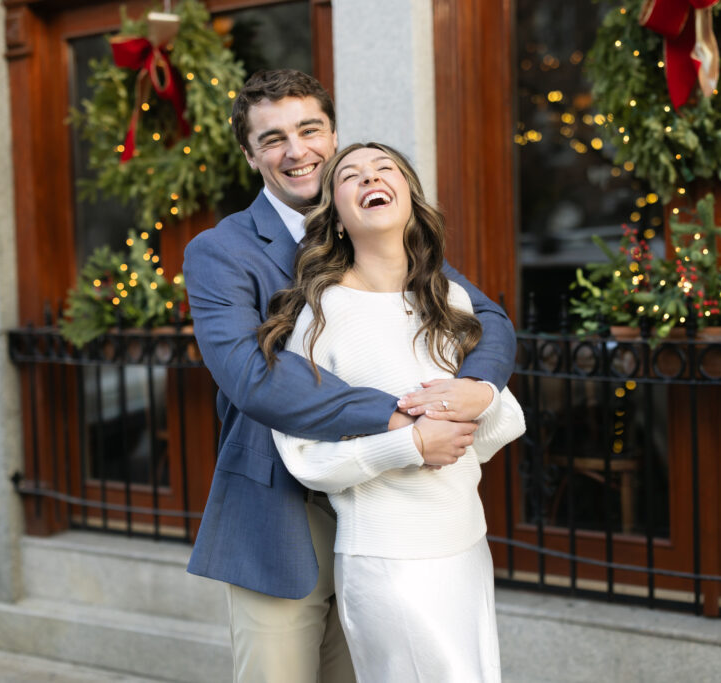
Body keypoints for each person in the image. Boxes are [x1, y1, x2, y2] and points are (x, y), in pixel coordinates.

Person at [182, 70, 517, 682]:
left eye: (310, 129)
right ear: (250, 153)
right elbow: (252, 377)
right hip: (286, 509)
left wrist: (480, 388)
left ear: (332, 135)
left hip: (392, 516)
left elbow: (486, 317)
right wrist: (399, 421)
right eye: (273, 138)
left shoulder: (377, 224)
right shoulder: (221, 250)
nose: (296, 150)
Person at [258, 142, 525, 682]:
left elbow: (499, 428)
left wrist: (478, 396)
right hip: (386, 556)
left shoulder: (449, 299)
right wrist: (410, 444)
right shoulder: (322, 315)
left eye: (385, 169)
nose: (370, 178)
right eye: (350, 175)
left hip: (466, 543)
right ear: (335, 216)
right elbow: (304, 456)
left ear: (409, 195)